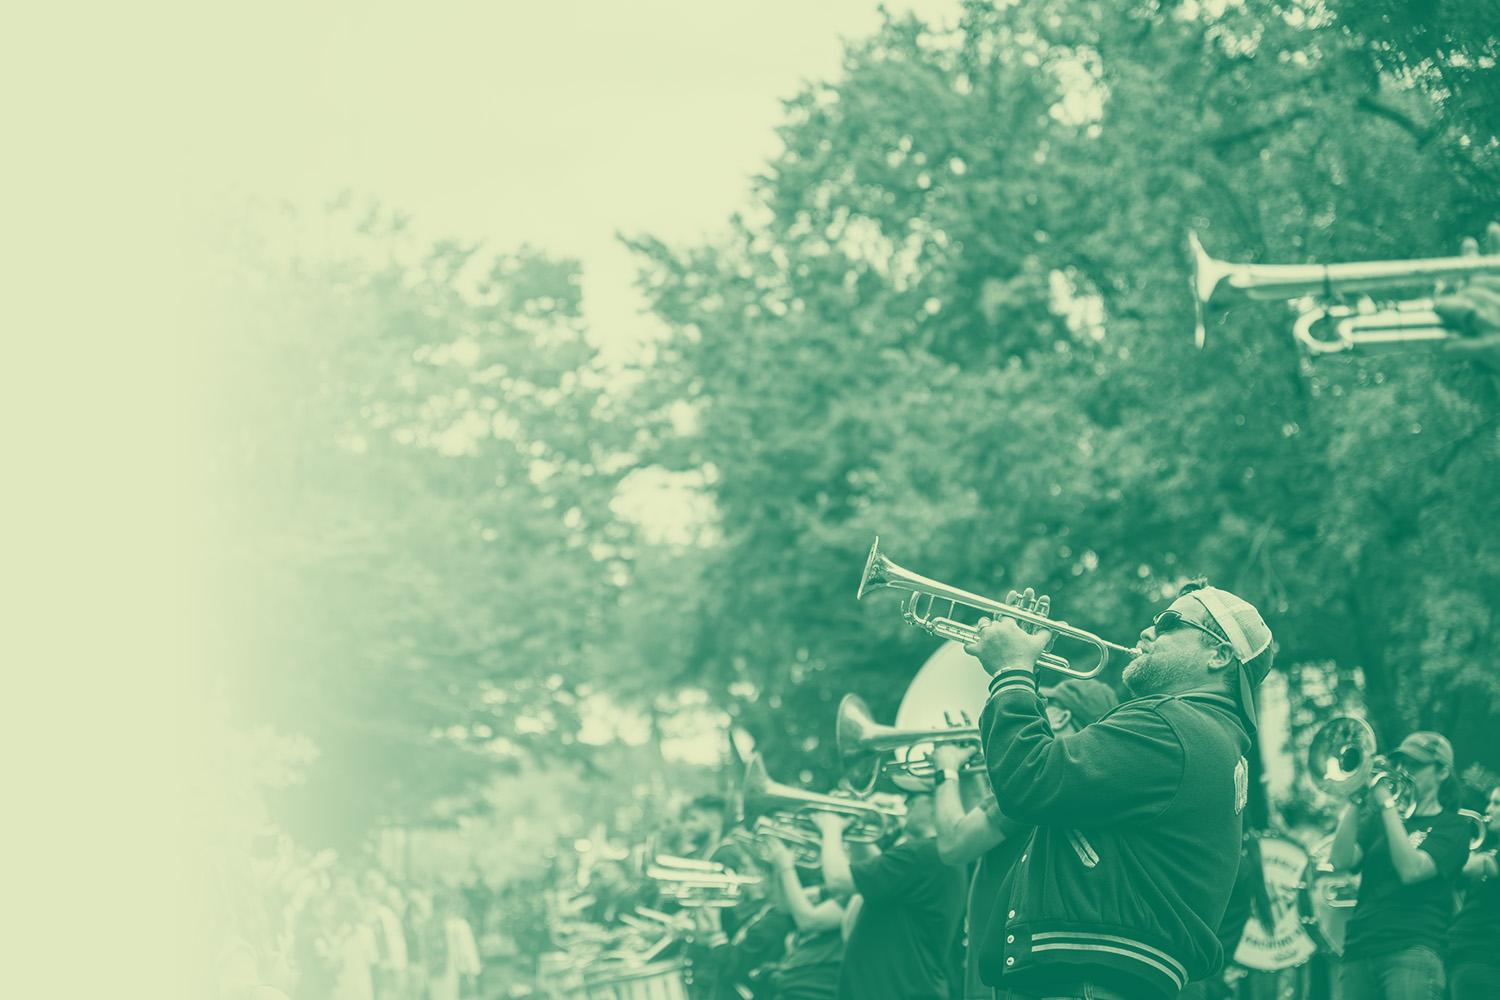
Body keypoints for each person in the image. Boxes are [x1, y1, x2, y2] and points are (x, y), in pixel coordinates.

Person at [964, 581, 1273, 1000]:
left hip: (1088, 984)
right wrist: (1026, 678)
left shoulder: (1169, 725)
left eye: (1168, 623)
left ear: (1218, 655)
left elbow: (1028, 780)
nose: (1148, 632)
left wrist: (1011, 673)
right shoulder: (1207, 735)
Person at [928, 680, 1119, 1000]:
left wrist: (945, 771)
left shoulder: (1039, 782)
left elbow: (953, 845)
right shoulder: (1078, 784)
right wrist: (972, 773)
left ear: (1058, 717)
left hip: (1003, 982)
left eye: (1043, 705)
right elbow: (992, 835)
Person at [1327, 731, 1471, 1000]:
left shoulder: (1453, 827)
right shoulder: (1381, 819)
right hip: (1360, 946)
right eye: (1402, 763)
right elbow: (1339, 861)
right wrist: (1356, 801)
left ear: (1442, 772)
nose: (1405, 770)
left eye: (1416, 765)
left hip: (1414, 948)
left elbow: (1411, 870)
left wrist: (1386, 804)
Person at [815, 792, 967, 1000]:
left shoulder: (921, 853)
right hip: (906, 989)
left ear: (937, 802)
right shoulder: (937, 854)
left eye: (915, 796)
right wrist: (856, 830)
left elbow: (838, 881)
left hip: (894, 991)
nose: (906, 802)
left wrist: (830, 828)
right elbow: (872, 873)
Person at [762, 839, 847, 1000]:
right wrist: (778, 865)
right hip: (795, 984)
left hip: (819, 988)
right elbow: (785, 906)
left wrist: (786, 868)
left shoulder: (852, 888)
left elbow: (809, 921)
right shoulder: (829, 889)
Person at [1446, 784, 1499, 998]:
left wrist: (1440, 856)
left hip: (1484, 957)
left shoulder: (1488, 858)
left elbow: (1484, 865)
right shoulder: (1491, 849)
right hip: (1464, 954)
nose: (1489, 809)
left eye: (1497, 803)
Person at [682, 795, 732, 860]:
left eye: (694, 819)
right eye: (686, 820)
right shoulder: (689, 858)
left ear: (714, 822)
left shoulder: (728, 858)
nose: (687, 826)